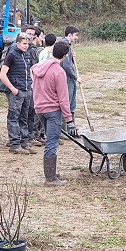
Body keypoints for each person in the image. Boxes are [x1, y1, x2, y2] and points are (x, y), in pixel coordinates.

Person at [31, 41, 78, 186]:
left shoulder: (40, 66)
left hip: (40, 109)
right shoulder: (59, 72)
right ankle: (50, 179)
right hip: (53, 111)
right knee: (52, 142)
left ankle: (51, 172)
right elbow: (64, 99)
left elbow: (32, 69)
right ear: (65, 56)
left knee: (50, 139)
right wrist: (69, 121)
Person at [0, 32, 37, 155]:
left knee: (24, 118)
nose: (26, 46)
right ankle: (14, 144)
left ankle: (24, 143)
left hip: (27, 90)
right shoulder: (11, 55)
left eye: (28, 44)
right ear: (18, 44)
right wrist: (13, 89)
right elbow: (2, 75)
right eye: (24, 44)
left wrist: (31, 83)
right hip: (17, 92)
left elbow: (30, 69)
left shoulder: (26, 55)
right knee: (14, 118)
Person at [60, 26, 81, 130]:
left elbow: (68, 63)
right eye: (75, 35)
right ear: (69, 35)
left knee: (70, 103)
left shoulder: (68, 45)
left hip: (68, 78)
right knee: (67, 103)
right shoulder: (65, 46)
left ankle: (71, 129)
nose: (76, 37)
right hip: (66, 78)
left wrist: (72, 58)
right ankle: (65, 130)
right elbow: (66, 66)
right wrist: (76, 77)